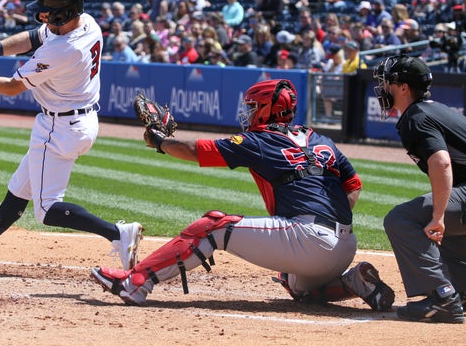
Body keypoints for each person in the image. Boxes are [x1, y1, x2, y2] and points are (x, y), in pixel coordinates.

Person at [91, 79, 395, 311]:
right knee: (295, 283)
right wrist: (331, 227)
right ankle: (355, 281)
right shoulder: (321, 139)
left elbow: (195, 150)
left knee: (213, 227)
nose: (248, 112)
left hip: (309, 239)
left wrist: (160, 141)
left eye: (252, 106)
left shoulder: (260, 139)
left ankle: (135, 283)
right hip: (344, 246)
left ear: (266, 108)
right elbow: (353, 186)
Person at [0, 0, 143, 272]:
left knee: (46, 210)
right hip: (78, 121)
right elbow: (32, 37)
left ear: (63, 14)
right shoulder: (87, 22)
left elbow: (13, 87)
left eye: (47, 12)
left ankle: (118, 233)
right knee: (19, 189)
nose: (42, 16)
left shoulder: (62, 50)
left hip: (59, 127)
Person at [374, 56, 466, 323]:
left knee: (402, 219)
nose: (384, 89)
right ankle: (460, 290)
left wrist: (438, 216)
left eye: (388, 83)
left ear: (404, 88)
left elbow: (441, 161)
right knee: (441, 226)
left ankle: (442, 298)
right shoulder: (435, 109)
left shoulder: (417, 116)